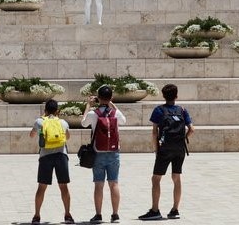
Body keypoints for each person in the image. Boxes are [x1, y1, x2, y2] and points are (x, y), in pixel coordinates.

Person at [138, 84, 194, 221]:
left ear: (163, 95)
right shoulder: (182, 110)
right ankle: (175, 210)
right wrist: (183, 138)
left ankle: (155, 210)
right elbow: (192, 129)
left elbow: (154, 132)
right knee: (176, 177)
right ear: (176, 96)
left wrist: (156, 148)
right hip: (179, 149)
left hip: (164, 149)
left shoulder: (159, 110)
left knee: (156, 178)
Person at [81, 85, 126, 224]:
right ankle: (115, 214)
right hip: (114, 153)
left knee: (98, 185)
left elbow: (83, 123)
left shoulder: (93, 114)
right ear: (111, 98)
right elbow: (124, 121)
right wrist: (111, 104)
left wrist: (88, 105)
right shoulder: (116, 114)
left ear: (98, 98)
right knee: (114, 183)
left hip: (98, 153)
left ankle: (98, 214)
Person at [29, 99, 74, 224]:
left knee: (42, 187)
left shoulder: (40, 122)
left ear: (45, 110)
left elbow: (32, 135)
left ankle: (37, 216)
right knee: (64, 186)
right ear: (57, 111)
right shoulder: (63, 122)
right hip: (61, 155)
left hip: (45, 156)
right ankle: (68, 215)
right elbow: (68, 137)